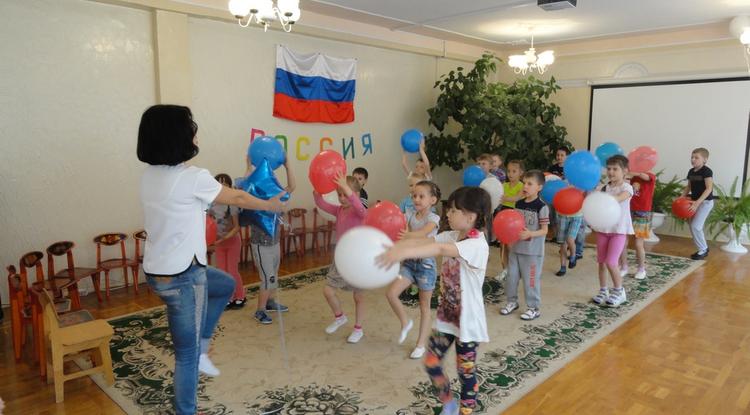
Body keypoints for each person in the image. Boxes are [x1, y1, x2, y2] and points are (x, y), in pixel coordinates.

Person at [137, 105, 285, 414]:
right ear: (178, 136)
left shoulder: (148, 176)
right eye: (191, 128)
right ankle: (186, 409)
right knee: (185, 356)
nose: (195, 133)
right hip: (183, 277)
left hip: (158, 272)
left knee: (225, 283)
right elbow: (239, 198)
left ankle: (203, 344)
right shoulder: (192, 177)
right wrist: (269, 205)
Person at [376, 186, 491, 415]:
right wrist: (396, 247)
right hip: (448, 318)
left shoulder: (476, 245)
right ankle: (448, 401)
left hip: (468, 323)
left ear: (470, 217)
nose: (447, 213)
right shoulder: (451, 235)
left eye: (453, 210)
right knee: (431, 362)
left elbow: (438, 248)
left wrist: (402, 253)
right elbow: (425, 244)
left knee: (465, 372)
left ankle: (465, 411)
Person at [385, 181, 442, 359]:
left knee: (424, 307)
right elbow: (400, 229)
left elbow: (424, 233)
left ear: (433, 200)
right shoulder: (409, 214)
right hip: (409, 264)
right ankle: (405, 321)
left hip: (426, 267)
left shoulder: (434, 219)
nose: (416, 199)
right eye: (414, 196)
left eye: (421, 196)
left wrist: (407, 234)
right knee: (391, 293)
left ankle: (420, 344)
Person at [314, 173, 368, 343]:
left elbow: (359, 207)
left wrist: (347, 189)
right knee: (328, 291)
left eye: (346, 194)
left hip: (357, 259)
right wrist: (317, 190)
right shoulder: (338, 210)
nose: (342, 198)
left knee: (358, 297)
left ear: (356, 194)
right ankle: (340, 317)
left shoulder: (360, 212)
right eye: (340, 195)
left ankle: (358, 329)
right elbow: (322, 203)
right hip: (341, 257)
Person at [500, 170, 549, 320]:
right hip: (516, 249)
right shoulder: (518, 203)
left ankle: (533, 308)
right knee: (511, 278)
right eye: (525, 183)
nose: (525, 186)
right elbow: (514, 224)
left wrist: (530, 234)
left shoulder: (542, 207)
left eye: (530, 184)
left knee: (531, 281)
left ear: (539, 187)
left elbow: (544, 230)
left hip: (532, 252)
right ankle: (512, 302)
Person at [252, 159, 296, 324]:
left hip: (274, 243)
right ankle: (259, 310)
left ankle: (269, 302)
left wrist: (287, 164)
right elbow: (246, 183)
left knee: (273, 275)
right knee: (267, 277)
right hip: (261, 245)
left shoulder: (277, 197)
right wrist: (249, 165)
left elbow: (291, 186)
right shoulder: (255, 198)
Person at [592, 155, 634, 307]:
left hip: (618, 231)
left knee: (611, 262)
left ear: (625, 172)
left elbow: (619, 198)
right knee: (601, 262)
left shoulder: (627, 188)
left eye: (615, 169)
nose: (611, 172)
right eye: (609, 169)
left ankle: (619, 291)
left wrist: (603, 198)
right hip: (603, 230)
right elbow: (594, 203)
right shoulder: (603, 187)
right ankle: (603, 290)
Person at [207, 174, 245, 308]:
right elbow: (207, 223)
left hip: (232, 241)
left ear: (229, 186)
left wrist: (224, 238)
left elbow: (236, 227)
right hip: (218, 243)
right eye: (219, 183)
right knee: (223, 272)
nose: (222, 186)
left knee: (232, 271)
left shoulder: (232, 205)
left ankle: (240, 295)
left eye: (225, 184)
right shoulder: (211, 204)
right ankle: (228, 297)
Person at [620, 170, 656, 279]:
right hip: (628, 210)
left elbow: (644, 176)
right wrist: (626, 176)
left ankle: (641, 269)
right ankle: (624, 267)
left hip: (642, 212)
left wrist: (633, 173)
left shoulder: (650, 175)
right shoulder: (632, 178)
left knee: (638, 244)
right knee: (623, 242)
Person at [682, 147, 715, 260]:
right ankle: (703, 248)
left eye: (696, 157)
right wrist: (681, 198)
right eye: (692, 157)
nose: (693, 159)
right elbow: (689, 187)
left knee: (696, 226)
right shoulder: (691, 171)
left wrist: (697, 203)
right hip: (694, 201)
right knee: (692, 225)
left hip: (705, 203)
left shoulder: (707, 171)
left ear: (704, 160)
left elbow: (709, 189)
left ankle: (703, 249)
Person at [496, 160, 525, 280]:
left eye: (514, 171)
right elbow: (498, 198)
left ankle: (516, 268)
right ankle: (505, 269)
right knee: (503, 245)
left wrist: (505, 198)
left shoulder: (522, 186)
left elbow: (517, 198)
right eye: (508, 171)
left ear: (521, 173)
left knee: (512, 246)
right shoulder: (503, 186)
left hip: (515, 218)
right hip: (503, 216)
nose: (510, 174)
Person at [555, 206, 583, 277]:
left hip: (577, 216)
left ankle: (573, 257)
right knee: (563, 244)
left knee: (570, 239)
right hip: (562, 215)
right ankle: (563, 268)